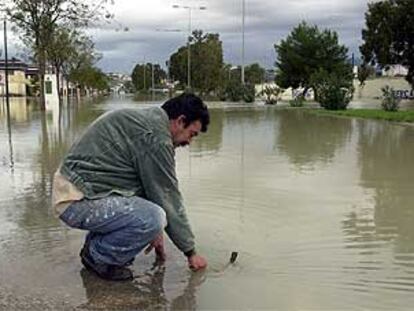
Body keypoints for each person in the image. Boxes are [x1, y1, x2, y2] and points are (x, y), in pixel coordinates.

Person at [52, 93, 209, 281]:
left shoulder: (150, 122)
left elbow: (145, 184)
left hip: (78, 192)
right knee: (154, 216)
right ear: (181, 121)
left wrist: (156, 231)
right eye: (192, 134)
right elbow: (167, 196)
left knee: (152, 217)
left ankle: (96, 248)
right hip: (75, 199)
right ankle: (98, 256)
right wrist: (190, 252)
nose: (189, 142)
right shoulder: (156, 138)